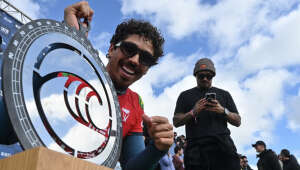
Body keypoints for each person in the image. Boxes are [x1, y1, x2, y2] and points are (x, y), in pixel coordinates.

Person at [64, 1, 174, 169]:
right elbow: (8, 133)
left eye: (145, 59)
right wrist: (66, 41)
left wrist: (157, 149)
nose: (135, 61)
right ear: (111, 48)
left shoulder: (135, 103)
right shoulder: (75, 70)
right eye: (129, 49)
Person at [173, 58, 241, 170]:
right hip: (196, 149)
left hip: (222, 145)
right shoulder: (185, 96)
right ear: (195, 76)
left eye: (208, 76)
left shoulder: (224, 94)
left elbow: (238, 121)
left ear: (213, 76)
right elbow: (176, 121)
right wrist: (193, 112)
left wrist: (223, 110)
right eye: (201, 76)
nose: (205, 79)